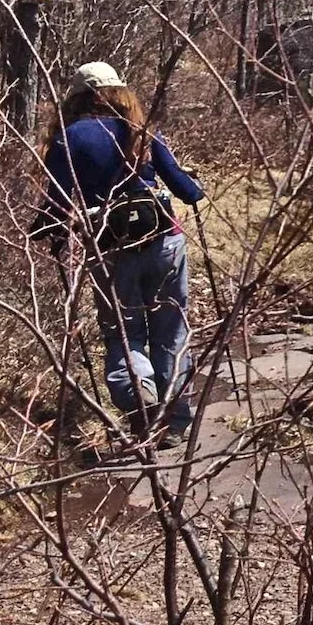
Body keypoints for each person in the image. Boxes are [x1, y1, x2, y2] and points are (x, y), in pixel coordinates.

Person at [35, 61, 205, 446]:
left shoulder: (68, 138)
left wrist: (46, 230)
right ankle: (175, 422)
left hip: (111, 248)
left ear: (78, 98)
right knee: (171, 332)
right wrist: (197, 190)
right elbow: (185, 187)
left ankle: (139, 401)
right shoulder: (141, 131)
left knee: (125, 335)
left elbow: (56, 203)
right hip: (166, 240)